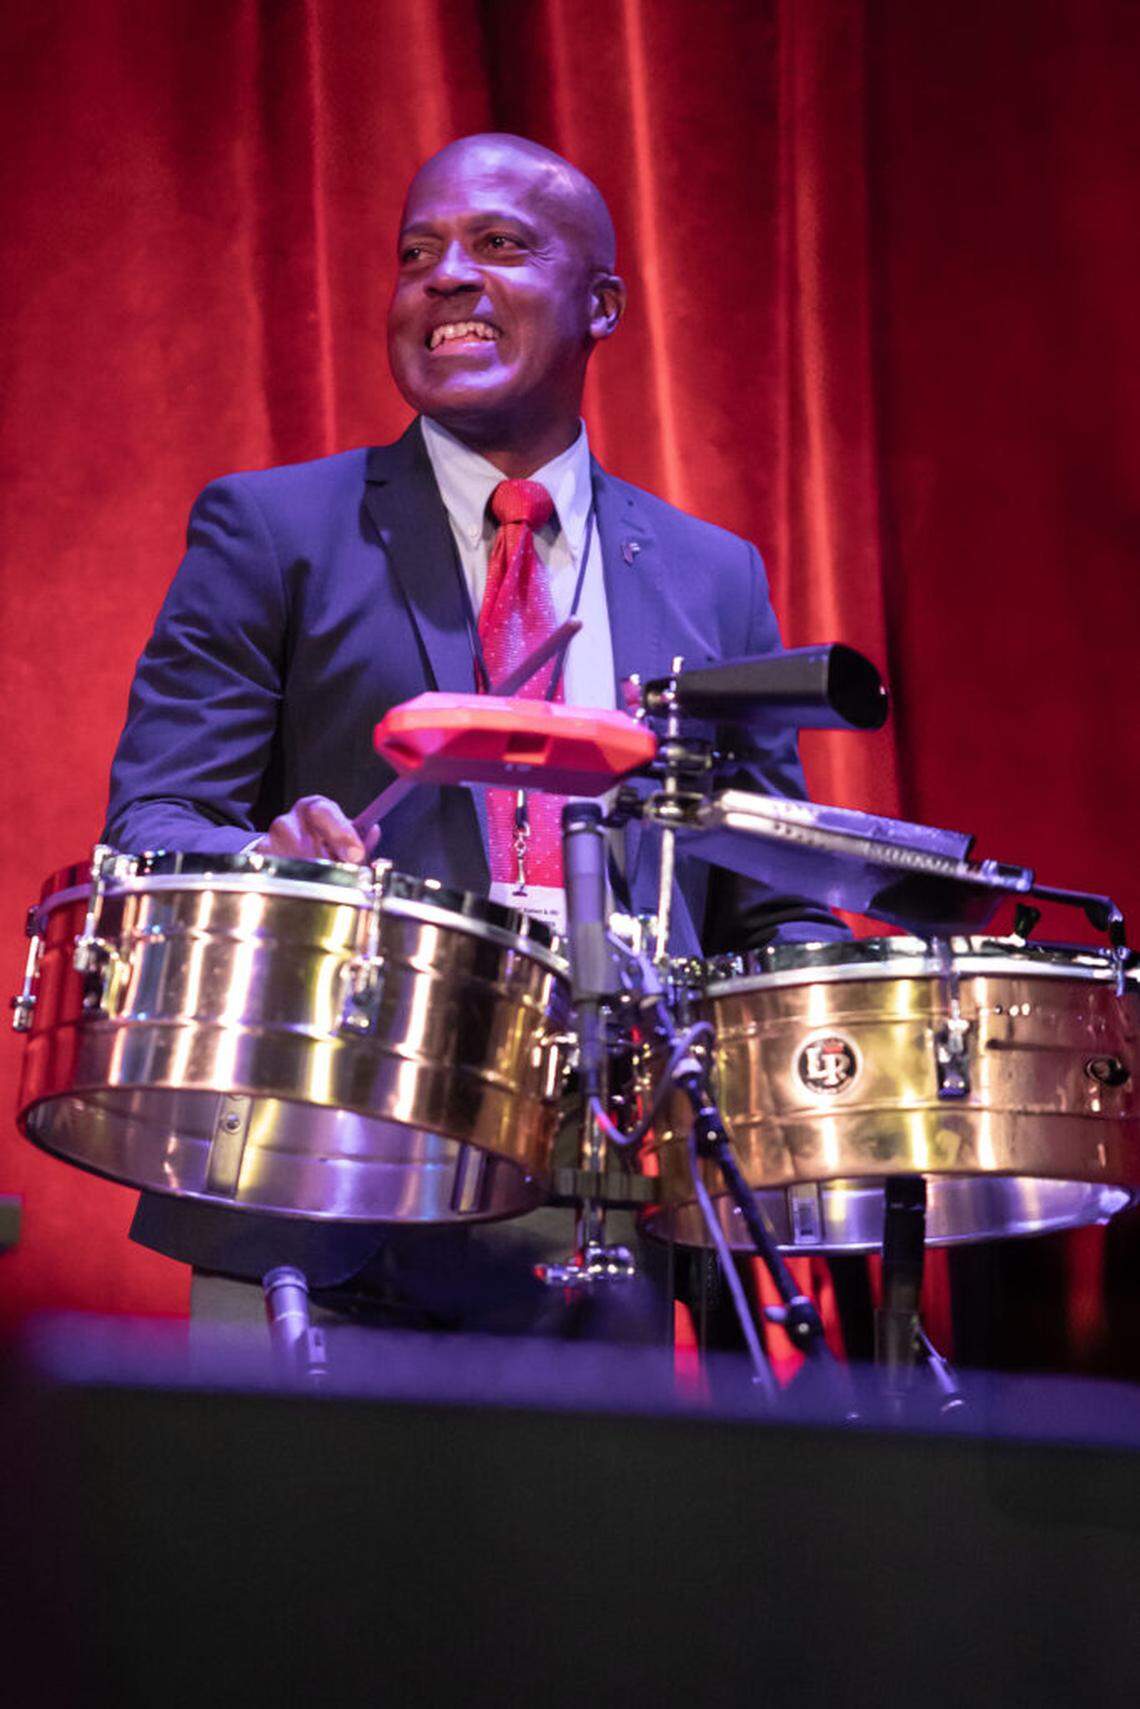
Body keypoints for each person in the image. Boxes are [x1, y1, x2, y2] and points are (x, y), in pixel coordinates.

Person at [104, 133, 841, 1334]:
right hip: (326, 1186)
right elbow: (153, 822)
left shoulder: (714, 575)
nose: (445, 276)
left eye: (498, 244)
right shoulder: (271, 529)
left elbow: (771, 897)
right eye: (416, 254)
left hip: (612, 1202)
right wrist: (266, 862)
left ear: (602, 305)